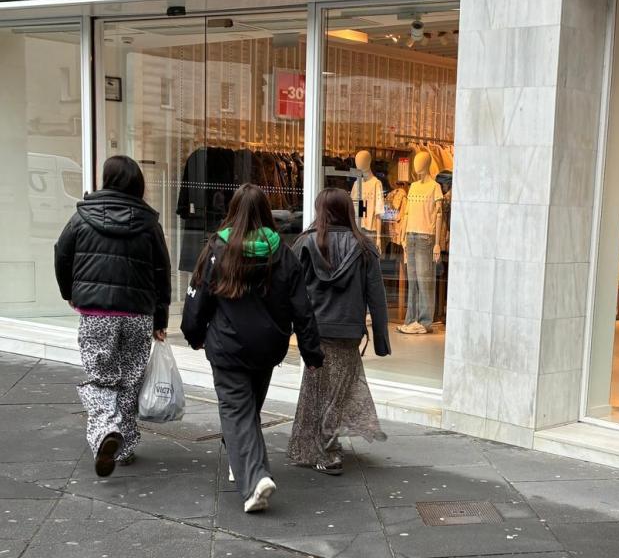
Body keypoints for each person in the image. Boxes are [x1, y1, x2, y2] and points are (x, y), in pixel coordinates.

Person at [181, 184, 323, 513]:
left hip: (227, 346)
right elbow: (303, 309)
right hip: (268, 348)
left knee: (237, 410)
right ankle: (241, 462)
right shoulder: (283, 254)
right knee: (248, 410)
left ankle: (256, 477)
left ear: (232, 210)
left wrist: (194, 334)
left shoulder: (218, 249)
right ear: (265, 212)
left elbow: (198, 296)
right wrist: (311, 352)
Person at [54, 155, 171, 477]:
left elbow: (62, 254)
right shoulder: (149, 224)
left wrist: (70, 293)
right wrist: (160, 318)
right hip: (137, 313)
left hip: (97, 312)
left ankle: (106, 429)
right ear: (138, 184)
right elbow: (162, 272)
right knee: (131, 379)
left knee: (100, 376)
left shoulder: (82, 217)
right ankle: (126, 446)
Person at [288, 188, 390, 475]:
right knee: (337, 390)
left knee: (317, 389)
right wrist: (381, 339)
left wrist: (285, 327)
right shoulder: (363, 246)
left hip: (315, 330)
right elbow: (377, 297)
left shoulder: (306, 243)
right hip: (348, 331)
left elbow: (290, 290)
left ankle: (325, 447)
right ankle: (326, 445)